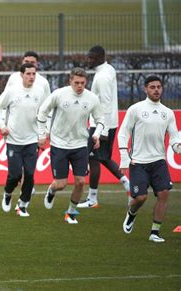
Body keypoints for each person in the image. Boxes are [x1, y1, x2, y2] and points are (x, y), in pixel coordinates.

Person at [37, 67, 105, 224]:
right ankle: (52, 190)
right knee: (61, 184)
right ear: (70, 81)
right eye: (76, 83)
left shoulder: (92, 98)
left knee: (80, 181)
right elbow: (42, 112)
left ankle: (71, 212)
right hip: (59, 144)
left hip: (80, 144)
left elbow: (100, 119)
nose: (79, 86)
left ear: (86, 82)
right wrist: (42, 135)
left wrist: (97, 134)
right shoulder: (59, 94)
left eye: (82, 83)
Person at [119, 76, 180, 243]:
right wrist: (124, 157)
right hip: (138, 162)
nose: (156, 90)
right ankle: (131, 214)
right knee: (140, 198)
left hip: (159, 161)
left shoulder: (167, 113)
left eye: (159, 87)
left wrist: (178, 147)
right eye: (152, 87)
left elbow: (174, 137)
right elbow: (124, 133)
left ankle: (155, 232)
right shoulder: (136, 109)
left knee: (164, 194)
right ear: (146, 89)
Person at [78, 45, 130, 209]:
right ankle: (128, 184)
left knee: (93, 158)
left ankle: (92, 199)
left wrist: (103, 130)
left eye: (91, 57)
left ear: (100, 57)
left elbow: (106, 104)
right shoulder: (109, 69)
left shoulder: (102, 78)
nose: (88, 60)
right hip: (108, 122)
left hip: (101, 125)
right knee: (104, 158)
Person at [0, 63, 46, 217]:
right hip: (13, 140)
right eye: (28, 74)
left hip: (31, 140)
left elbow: (44, 114)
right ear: (21, 75)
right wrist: (2, 125)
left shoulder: (40, 91)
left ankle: (22, 205)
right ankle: (8, 194)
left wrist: (43, 133)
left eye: (33, 74)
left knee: (29, 174)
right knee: (15, 175)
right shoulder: (12, 91)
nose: (31, 77)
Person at [4, 50, 51, 196]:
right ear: (22, 63)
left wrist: (45, 131)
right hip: (14, 130)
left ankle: (25, 190)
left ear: (37, 65)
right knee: (16, 170)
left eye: (32, 62)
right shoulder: (13, 79)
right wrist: (4, 125)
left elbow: (48, 108)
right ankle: (15, 186)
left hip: (33, 131)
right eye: (26, 62)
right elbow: (4, 103)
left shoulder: (43, 83)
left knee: (29, 166)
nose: (29, 64)